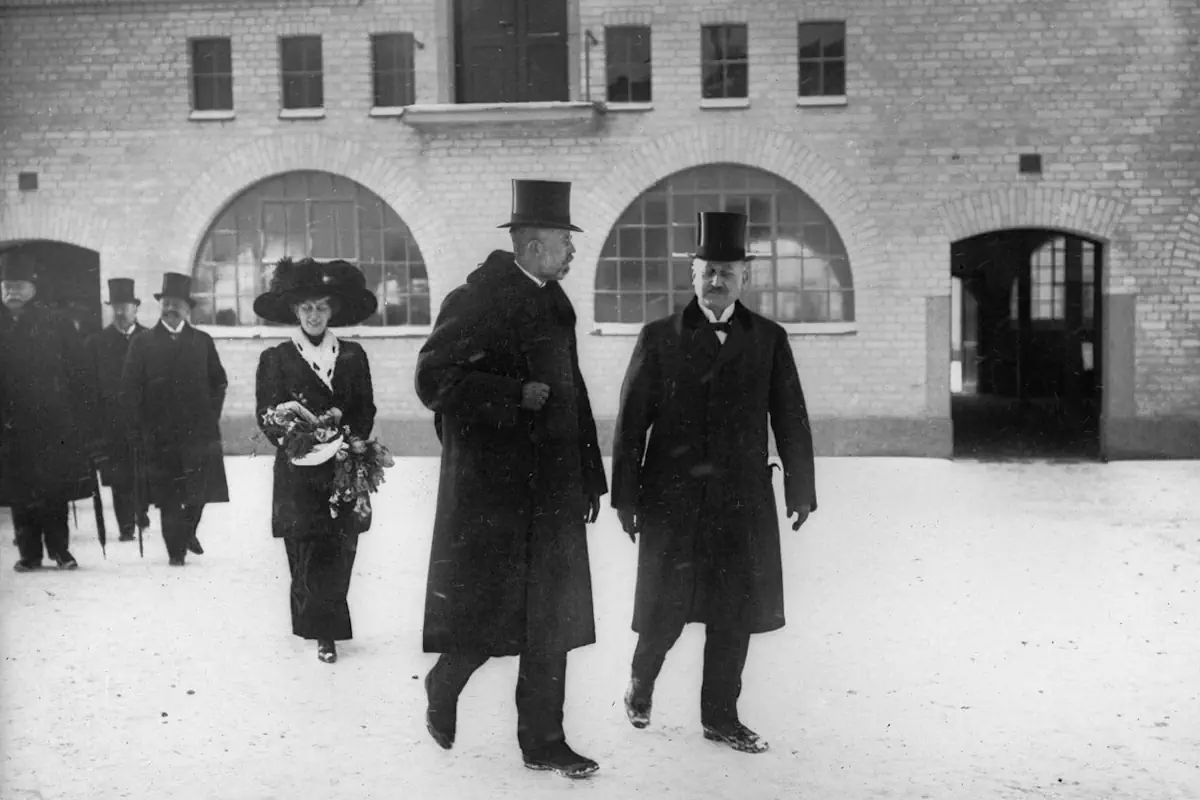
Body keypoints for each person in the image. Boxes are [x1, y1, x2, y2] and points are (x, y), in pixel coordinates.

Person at [415, 179, 607, 779]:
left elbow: (571, 393)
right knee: (491, 612)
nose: (573, 250)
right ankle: (445, 681)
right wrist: (510, 396)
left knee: (551, 616)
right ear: (528, 246)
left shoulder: (554, 301)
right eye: (563, 240)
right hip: (494, 494)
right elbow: (432, 379)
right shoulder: (476, 299)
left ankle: (544, 741)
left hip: (551, 487)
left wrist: (589, 475)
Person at [610, 211, 818, 754]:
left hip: (740, 498)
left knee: (734, 609)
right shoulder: (660, 337)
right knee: (666, 604)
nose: (717, 281)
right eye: (708, 271)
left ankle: (721, 716)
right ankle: (641, 681)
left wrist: (800, 490)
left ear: (745, 277)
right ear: (693, 276)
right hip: (671, 498)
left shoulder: (769, 339)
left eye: (728, 271)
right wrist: (625, 498)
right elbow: (632, 423)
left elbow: (790, 417)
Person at [253, 257, 378, 665]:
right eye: (306, 307)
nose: (313, 315)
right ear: (294, 311)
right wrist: (297, 437)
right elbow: (267, 414)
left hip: (343, 467)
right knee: (304, 550)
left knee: (340, 548)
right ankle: (316, 625)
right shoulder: (276, 359)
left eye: (322, 307)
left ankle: (326, 631)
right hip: (299, 472)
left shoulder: (353, 356)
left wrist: (346, 429)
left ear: (333, 311)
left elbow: (366, 409)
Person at [120, 272, 229, 566]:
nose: (171, 308)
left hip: (199, 433)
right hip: (159, 435)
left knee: (199, 493)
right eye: (167, 302)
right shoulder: (142, 343)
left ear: (187, 308)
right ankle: (176, 553)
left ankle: (187, 530)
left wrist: (210, 414)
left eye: (178, 303)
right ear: (160, 305)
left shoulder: (202, 341)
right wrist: (138, 426)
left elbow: (219, 381)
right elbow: (130, 387)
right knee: (168, 497)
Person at [0, 250, 98, 571]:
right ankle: (29, 554)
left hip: (51, 422)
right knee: (20, 492)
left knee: (53, 490)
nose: (12, 291)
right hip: (9, 425)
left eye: (20, 285)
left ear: (34, 289)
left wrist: (79, 418)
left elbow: (80, 373)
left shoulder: (55, 323)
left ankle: (60, 550)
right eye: (7, 284)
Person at [86, 278, 150, 542]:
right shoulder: (97, 343)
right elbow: (90, 386)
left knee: (143, 472)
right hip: (112, 422)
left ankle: (141, 511)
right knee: (120, 476)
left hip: (144, 420)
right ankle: (126, 525)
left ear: (136, 308)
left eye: (126, 306)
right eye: (116, 306)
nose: (121, 311)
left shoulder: (148, 339)